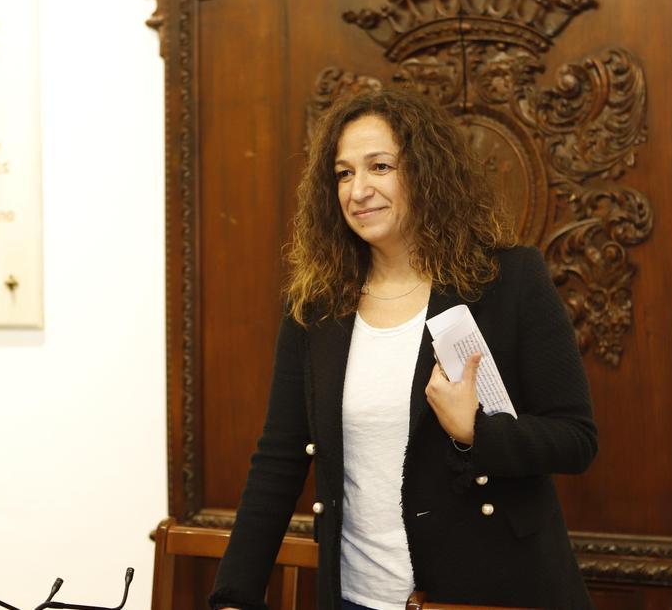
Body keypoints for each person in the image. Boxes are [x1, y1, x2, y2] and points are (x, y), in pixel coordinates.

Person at [209, 88, 598, 610]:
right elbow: (278, 459)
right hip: (355, 598)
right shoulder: (316, 306)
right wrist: (233, 597)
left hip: (484, 596)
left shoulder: (508, 279)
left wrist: (474, 432)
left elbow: (575, 439)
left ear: (426, 172)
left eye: (380, 166)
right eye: (344, 174)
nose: (358, 190)